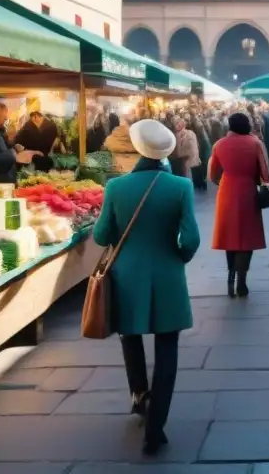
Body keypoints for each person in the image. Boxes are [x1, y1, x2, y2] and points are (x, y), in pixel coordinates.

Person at [93, 119, 199, 457]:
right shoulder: (180, 186)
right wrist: (178, 256)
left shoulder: (116, 187)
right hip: (168, 274)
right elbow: (192, 238)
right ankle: (156, 426)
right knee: (168, 347)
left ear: (137, 149)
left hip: (127, 276)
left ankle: (139, 395)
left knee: (131, 335)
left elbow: (101, 236)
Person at [209, 112, 269, 297]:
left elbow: (212, 175)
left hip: (226, 193)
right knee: (246, 238)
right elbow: (266, 174)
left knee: (230, 236)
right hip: (248, 193)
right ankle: (242, 281)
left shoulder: (219, 144)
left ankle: (230, 276)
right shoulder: (255, 143)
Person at [189, 115, 212, 192]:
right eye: (197, 121)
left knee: (201, 168)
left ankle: (201, 183)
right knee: (198, 168)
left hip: (203, 151)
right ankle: (199, 183)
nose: (199, 122)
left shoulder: (202, 129)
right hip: (199, 152)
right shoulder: (197, 132)